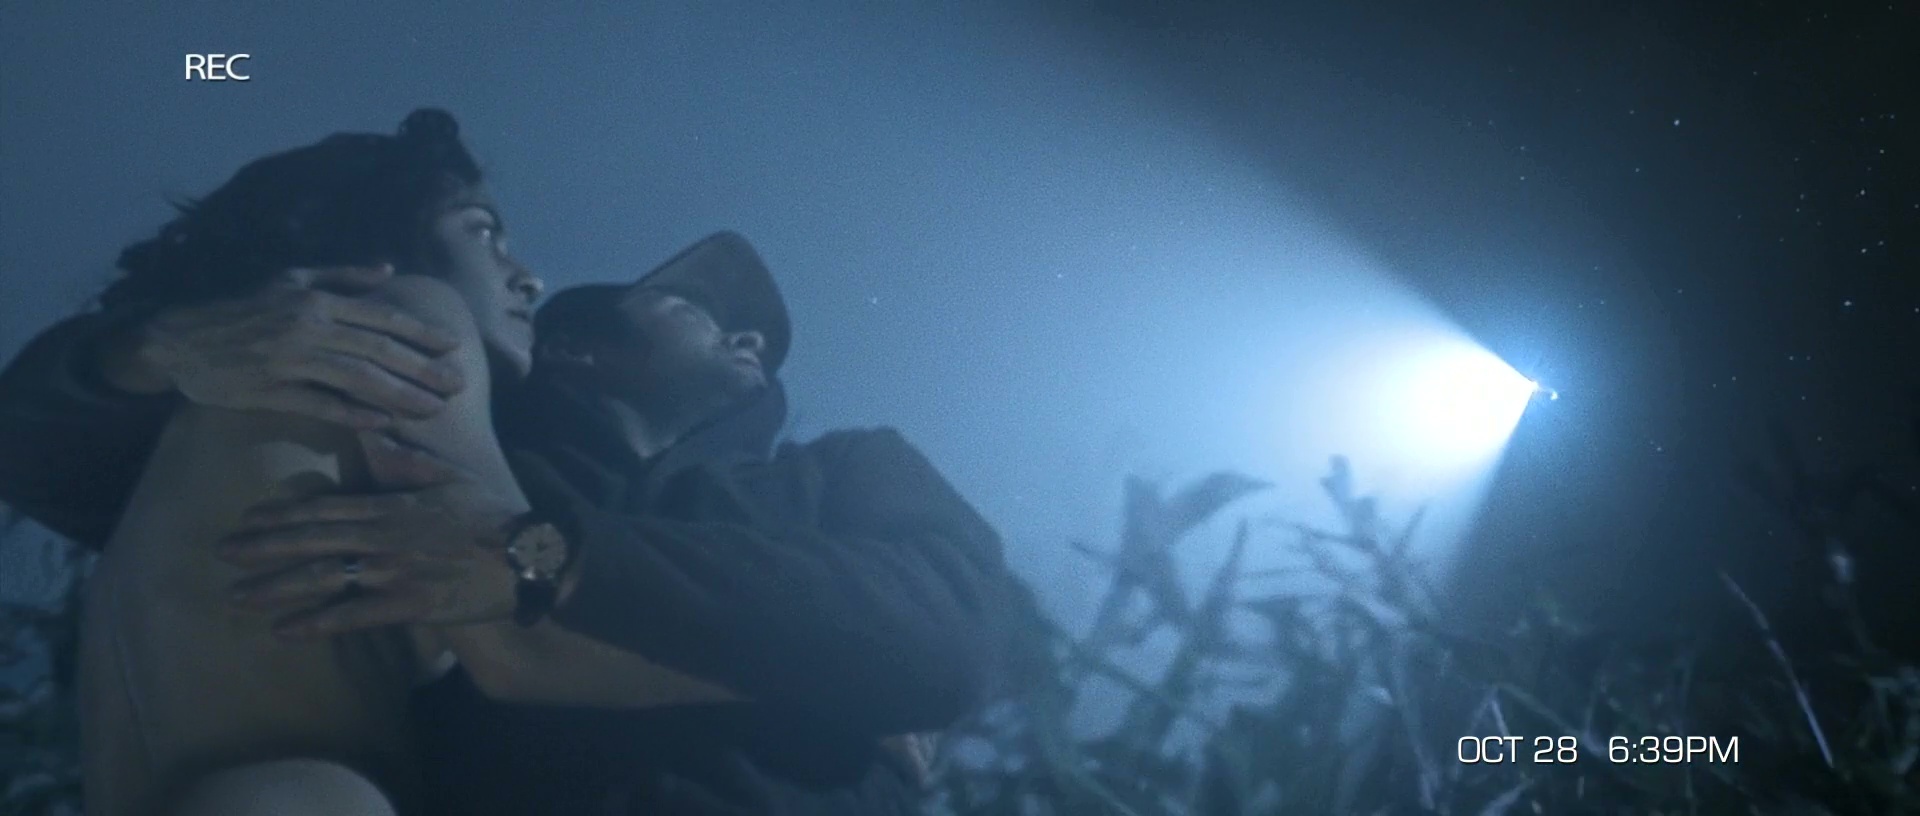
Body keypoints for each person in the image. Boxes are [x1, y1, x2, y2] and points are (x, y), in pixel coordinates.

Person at [0, 137, 1013, 813]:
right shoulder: (436, 421)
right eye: (701, 309)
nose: (750, 337)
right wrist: (144, 349)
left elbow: (947, 636)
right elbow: (77, 468)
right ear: (578, 345)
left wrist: (544, 560)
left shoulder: (841, 472)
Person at [52, 108, 550, 815]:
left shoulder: (183, 450)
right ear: (380, 236)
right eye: (483, 232)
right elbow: (530, 630)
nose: (528, 279)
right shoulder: (403, 319)